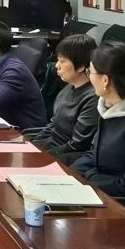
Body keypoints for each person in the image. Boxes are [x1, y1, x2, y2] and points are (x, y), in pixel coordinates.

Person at [71, 42, 125, 199]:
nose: (89, 77)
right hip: (96, 189)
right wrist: (71, 175)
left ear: (105, 80)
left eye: (90, 72)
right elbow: (93, 154)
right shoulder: (107, 108)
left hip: (116, 200)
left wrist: (86, 182)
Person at [30, 33, 100, 165]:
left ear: (81, 66)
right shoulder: (67, 88)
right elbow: (53, 125)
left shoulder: (93, 98)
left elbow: (78, 144)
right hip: (51, 146)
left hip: (66, 157)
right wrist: (33, 146)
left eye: (62, 61)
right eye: (58, 60)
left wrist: (42, 157)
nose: (57, 65)